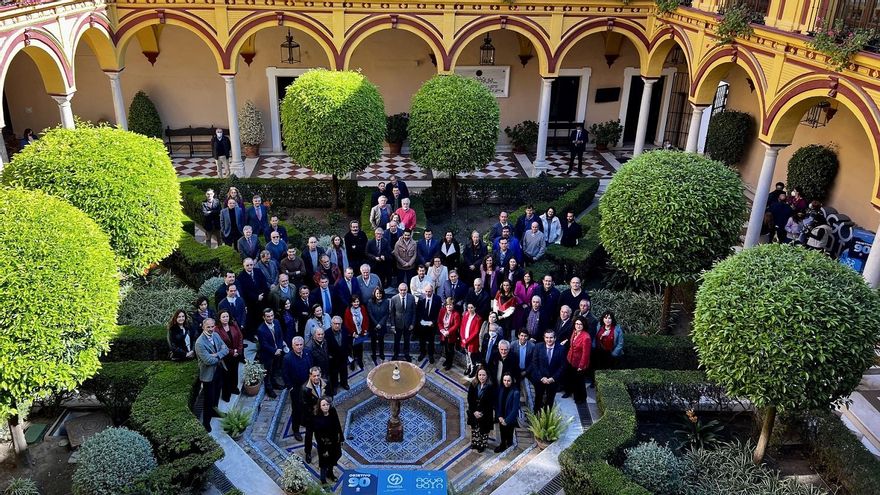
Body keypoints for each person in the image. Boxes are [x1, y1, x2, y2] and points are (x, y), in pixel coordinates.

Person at [195, 318, 229, 431]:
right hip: (208, 375)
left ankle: (215, 411)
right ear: (203, 327)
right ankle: (206, 422)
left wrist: (216, 355)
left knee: (216, 394)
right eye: (208, 327)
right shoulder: (199, 343)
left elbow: (226, 349)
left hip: (218, 370)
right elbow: (208, 361)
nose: (210, 329)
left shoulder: (216, 335)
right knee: (208, 399)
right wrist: (219, 355)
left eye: (212, 326)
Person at [282, 336, 312, 442]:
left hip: (308, 386)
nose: (299, 347)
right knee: (296, 410)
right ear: (292, 346)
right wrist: (290, 387)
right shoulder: (287, 358)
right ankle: (296, 430)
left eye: (301, 345)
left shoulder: (307, 353)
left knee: (307, 405)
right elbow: (285, 374)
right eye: (297, 345)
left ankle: (304, 421)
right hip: (296, 388)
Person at [532, 329, 565, 413]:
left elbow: (562, 366)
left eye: (551, 337)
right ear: (544, 338)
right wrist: (541, 378)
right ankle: (536, 417)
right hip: (540, 379)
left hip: (553, 380)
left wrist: (553, 378)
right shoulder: (538, 347)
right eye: (547, 337)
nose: (549, 340)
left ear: (555, 338)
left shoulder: (561, 348)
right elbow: (534, 363)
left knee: (550, 400)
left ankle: (547, 418)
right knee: (538, 399)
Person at [257, 308, 288, 398]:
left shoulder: (277, 322)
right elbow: (264, 344)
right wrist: (274, 351)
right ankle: (269, 389)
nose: (270, 318)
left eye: (272, 315)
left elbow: (280, 336)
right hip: (268, 355)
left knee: (275, 369)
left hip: (278, 351)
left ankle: (274, 383)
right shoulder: (261, 329)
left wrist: (279, 348)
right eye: (268, 316)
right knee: (268, 373)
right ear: (264, 317)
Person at [313, 396, 344, 484]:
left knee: (337, 455)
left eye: (327, 404)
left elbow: (337, 424)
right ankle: (323, 480)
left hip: (335, 442)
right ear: (320, 406)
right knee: (324, 463)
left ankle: (330, 473)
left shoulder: (332, 411)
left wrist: (341, 438)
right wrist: (324, 450)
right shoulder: (317, 418)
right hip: (324, 445)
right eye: (323, 405)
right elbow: (318, 436)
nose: (326, 406)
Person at [215, 309, 244, 401]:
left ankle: (234, 388)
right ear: (219, 318)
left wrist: (239, 350)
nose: (225, 318)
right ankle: (226, 395)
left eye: (227, 316)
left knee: (235, 372)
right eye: (223, 317)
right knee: (226, 375)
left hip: (236, 354)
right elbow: (220, 344)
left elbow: (240, 336)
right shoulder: (217, 329)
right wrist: (232, 352)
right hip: (225, 356)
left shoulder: (233, 324)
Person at [237, 258, 269, 338]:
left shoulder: (258, 271)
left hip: (262, 299)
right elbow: (244, 291)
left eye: (251, 265)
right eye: (247, 265)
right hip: (251, 303)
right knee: (253, 320)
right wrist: (256, 297)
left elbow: (264, 284)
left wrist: (262, 295)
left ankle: (264, 333)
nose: (250, 267)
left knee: (262, 317)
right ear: (244, 266)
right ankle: (254, 335)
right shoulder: (241, 277)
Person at [562, 317, 591, 404]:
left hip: (579, 363)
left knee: (579, 382)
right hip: (570, 359)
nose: (578, 326)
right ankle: (568, 392)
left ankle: (580, 398)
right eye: (577, 324)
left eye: (580, 324)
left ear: (584, 325)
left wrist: (581, 366)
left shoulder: (586, 337)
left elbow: (586, 354)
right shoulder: (574, 332)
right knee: (569, 377)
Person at [466, 366, 495, 453]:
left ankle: (482, 445)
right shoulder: (473, 384)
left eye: (483, 375)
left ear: (487, 376)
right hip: (474, 411)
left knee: (483, 430)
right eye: (480, 375)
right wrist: (474, 411)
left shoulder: (490, 387)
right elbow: (470, 398)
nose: (481, 377)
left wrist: (481, 413)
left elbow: (491, 402)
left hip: (485, 413)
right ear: (477, 375)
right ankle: (475, 444)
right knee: (475, 428)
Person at [301, 367, 327, 464]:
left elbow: (330, 396)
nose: (316, 378)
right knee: (309, 436)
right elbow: (304, 405)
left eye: (318, 375)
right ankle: (308, 453)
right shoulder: (305, 389)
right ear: (310, 376)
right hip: (311, 417)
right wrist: (316, 411)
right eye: (314, 376)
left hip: (322, 415)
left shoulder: (325, 383)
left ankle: (323, 450)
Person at [495, 372, 521, 453]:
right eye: (504, 380)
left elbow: (515, 409)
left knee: (509, 436)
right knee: (502, 433)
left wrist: (506, 421)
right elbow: (498, 403)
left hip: (509, 419)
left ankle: (509, 447)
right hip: (501, 417)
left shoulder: (515, 392)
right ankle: (502, 445)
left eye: (508, 381)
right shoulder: (501, 389)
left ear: (512, 381)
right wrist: (499, 416)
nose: (506, 382)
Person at [390, 283, 416, 361]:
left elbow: (414, 312)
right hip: (398, 324)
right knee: (396, 341)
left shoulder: (411, 298)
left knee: (407, 340)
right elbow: (392, 313)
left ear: (407, 289)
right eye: (401, 290)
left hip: (408, 324)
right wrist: (392, 325)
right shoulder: (394, 298)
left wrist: (412, 323)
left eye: (404, 290)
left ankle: (406, 354)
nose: (403, 292)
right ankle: (395, 354)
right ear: (398, 290)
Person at [416, 283, 441, 363]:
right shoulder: (421, 298)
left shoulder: (437, 299)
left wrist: (433, 322)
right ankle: (422, 353)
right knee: (422, 340)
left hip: (432, 325)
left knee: (431, 341)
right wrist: (421, 321)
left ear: (432, 291)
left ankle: (431, 355)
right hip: (422, 324)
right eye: (426, 291)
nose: (428, 293)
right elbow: (418, 312)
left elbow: (439, 313)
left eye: (429, 291)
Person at [344, 295, 370, 370]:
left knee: (360, 348)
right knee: (352, 349)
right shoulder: (348, 310)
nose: (356, 303)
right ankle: (352, 362)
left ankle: (360, 361)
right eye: (354, 302)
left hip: (361, 333)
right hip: (352, 334)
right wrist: (353, 333)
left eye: (357, 301)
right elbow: (347, 323)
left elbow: (365, 319)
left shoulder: (362, 308)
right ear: (351, 302)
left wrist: (365, 329)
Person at [326, 316, 351, 393]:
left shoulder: (345, 330)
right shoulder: (327, 333)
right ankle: (334, 386)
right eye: (335, 324)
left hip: (343, 356)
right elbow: (325, 347)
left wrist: (348, 353)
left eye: (339, 324)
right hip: (333, 358)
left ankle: (344, 383)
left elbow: (348, 342)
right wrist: (329, 356)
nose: (337, 325)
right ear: (331, 324)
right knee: (334, 373)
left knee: (344, 371)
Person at [367, 286, 391, 364]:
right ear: (374, 294)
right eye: (377, 293)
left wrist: (380, 323)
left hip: (382, 324)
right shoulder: (370, 302)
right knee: (373, 341)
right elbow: (370, 314)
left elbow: (386, 314)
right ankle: (374, 354)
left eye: (380, 293)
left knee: (381, 340)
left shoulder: (386, 301)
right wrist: (376, 324)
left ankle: (381, 353)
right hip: (373, 325)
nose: (378, 295)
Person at [437, 297, 461, 371]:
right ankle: (447, 360)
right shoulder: (442, 310)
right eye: (447, 305)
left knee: (450, 350)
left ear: (453, 306)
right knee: (445, 349)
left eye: (450, 305)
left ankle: (449, 363)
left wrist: (448, 332)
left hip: (451, 335)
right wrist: (442, 330)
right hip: (443, 334)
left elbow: (456, 325)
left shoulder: (456, 314)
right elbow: (439, 321)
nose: (448, 306)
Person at [460, 303, 483, 377]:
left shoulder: (478, 318)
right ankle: (468, 367)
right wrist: (463, 338)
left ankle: (473, 370)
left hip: (472, 342)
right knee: (467, 355)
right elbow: (462, 326)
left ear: (475, 308)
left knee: (472, 357)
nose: (469, 309)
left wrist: (467, 340)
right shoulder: (466, 314)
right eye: (468, 308)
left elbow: (476, 332)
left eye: (471, 308)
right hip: (464, 340)